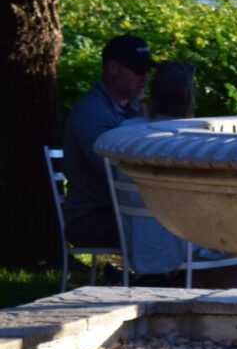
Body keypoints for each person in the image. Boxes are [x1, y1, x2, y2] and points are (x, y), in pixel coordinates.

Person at [112, 61, 225, 285]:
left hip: (138, 243)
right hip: (182, 246)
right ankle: (209, 295)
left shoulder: (124, 133)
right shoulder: (195, 140)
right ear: (189, 97)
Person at [61, 34, 151, 248]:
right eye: (138, 70)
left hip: (116, 210)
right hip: (91, 218)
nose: (145, 78)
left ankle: (169, 276)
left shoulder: (133, 107)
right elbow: (112, 173)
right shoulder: (92, 113)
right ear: (113, 68)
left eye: (147, 71)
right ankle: (160, 277)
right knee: (168, 223)